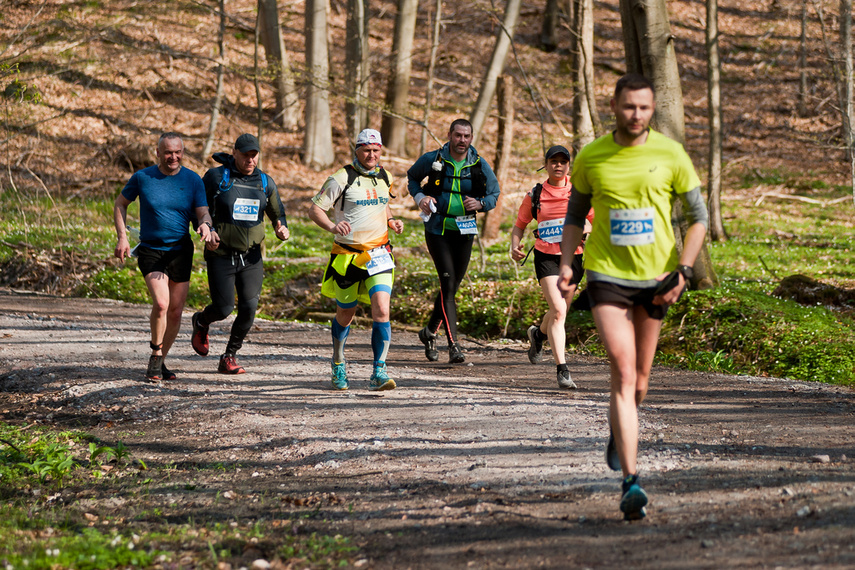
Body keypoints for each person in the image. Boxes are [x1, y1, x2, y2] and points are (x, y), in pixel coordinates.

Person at [557, 74, 708, 521]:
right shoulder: (592, 157)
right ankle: (631, 482)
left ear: (652, 108)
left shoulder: (671, 153)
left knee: (640, 382)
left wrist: (684, 268)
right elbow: (573, 215)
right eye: (628, 107)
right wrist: (568, 264)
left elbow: (697, 217)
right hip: (607, 276)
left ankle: (620, 433)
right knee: (623, 373)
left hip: (658, 278)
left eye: (644, 107)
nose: (636, 115)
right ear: (615, 106)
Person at [113, 132, 216, 381]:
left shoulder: (192, 180)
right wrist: (122, 236)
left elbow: (203, 212)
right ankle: (156, 353)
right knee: (161, 304)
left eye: (177, 152)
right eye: (168, 152)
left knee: (176, 311)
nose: (173, 156)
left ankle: (161, 362)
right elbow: (120, 204)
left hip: (180, 250)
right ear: (157, 153)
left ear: (183, 152)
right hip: (151, 249)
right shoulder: (143, 177)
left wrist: (205, 226)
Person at [308, 128, 404, 391]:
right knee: (345, 314)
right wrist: (331, 227)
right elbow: (315, 209)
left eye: (376, 150)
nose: (371, 155)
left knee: (382, 310)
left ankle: (379, 372)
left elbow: (382, 203)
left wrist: (391, 219)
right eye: (366, 150)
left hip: (379, 255)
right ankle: (338, 362)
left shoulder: (385, 176)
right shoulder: (342, 178)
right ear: (357, 150)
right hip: (348, 258)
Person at [190, 133, 290, 374]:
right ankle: (202, 321)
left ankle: (229, 356)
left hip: (251, 256)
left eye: (254, 155)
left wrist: (280, 226)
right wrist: (206, 229)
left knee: (249, 307)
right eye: (245, 154)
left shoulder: (265, 182)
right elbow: (198, 210)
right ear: (234, 153)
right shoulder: (216, 177)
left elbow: (278, 212)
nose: (250, 159)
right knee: (224, 308)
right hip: (221, 253)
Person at [407, 118, 500, 364]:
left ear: (471, 138)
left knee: (452, 286)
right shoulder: (433, 159)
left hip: (465, 232)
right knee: (447, 283)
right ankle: (454, 345)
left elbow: (494, 193)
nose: (462, 140)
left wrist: (481, 204)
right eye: (458, 135)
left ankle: (428, 333)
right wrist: (420, 198)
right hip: (438, 231)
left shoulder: (479, 164)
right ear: (449, 135)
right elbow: (412, 179)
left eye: (466, 136)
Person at [510, 145, 592, 390]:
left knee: (560, 312)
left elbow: (594, 222)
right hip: (546, 256)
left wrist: (586, 230)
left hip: (574, 258)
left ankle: (538, 335)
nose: (558, 165)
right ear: (545, 165)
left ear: (569, 166)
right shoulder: (534, 194)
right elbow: (519, 225)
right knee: (557, 310)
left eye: (563, 161)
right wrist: (515, 246)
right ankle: (562, 370)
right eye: (553, 161)